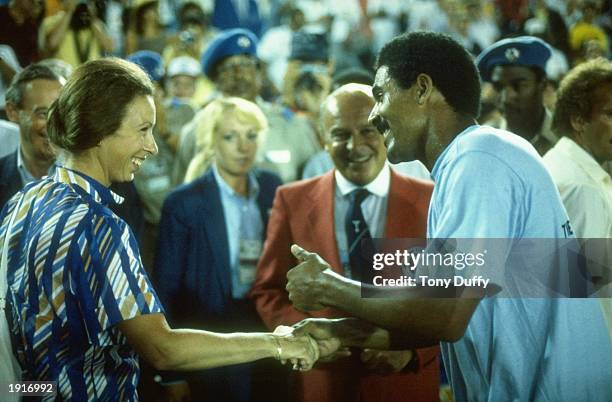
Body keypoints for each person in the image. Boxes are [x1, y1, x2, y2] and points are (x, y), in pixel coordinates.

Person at [284, 32, 612, 401]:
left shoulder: (480, 159)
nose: (375, 114)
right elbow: (430, 317)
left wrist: (331, 287)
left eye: (380, 95)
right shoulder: (471, 162)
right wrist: (343, 332)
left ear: (422, 89)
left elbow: (445, 314)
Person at [0, 58, 318, 401]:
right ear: (100, 129)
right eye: (142, 130)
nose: (152, 146)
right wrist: (279, 343)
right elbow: (163, 348)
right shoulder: (100, 227)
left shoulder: (25, 200)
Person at [250, 83, 439, 402]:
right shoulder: (291, 199)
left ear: (386, 130)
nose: (355, 145)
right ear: (323, 140)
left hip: (404, 384)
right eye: (340, 134)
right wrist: (307, 336)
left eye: (368, 130)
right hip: (324, 384)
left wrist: (411, 351)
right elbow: (267, 290)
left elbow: (453, 299)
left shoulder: (431, 200)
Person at [154, 97, 285, 401]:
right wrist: (170, 374)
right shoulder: (184, 203)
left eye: (251, 136)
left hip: (266, 328)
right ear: (211, 141)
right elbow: (165, 290)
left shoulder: (272, 187)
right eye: (230, 136)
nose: (243, 147)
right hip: (211, 337)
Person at [173, 28, 320, 184]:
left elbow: (317, 188)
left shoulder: (291, 125)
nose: (239, 74)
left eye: (247, 64)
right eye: (229, 67)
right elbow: (182, 197)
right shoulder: (195, 132)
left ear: (259, 74)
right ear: (215, 79)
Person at [543, 58, 612, 297]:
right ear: (578, 120)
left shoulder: (559, 162)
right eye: (610, 114)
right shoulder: (581, 186)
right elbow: (578, 284)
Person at [475, 36, 559, 155]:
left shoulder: (566, 136)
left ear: (542, 84)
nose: (506, 98)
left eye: (519, 85)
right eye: (499, 87)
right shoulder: (485, 142)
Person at [0, 63, 64, 211]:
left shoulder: (98, 179)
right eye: (43, 114)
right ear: (12, 112)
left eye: (61, 113)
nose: (55, 125)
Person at [39, 0, 114, 68]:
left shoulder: (95, 24)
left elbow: (109, 47)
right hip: (65, 75)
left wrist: (92, 17)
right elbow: (52, 43)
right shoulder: (53, 21)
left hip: (88, 74)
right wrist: (69, 12)